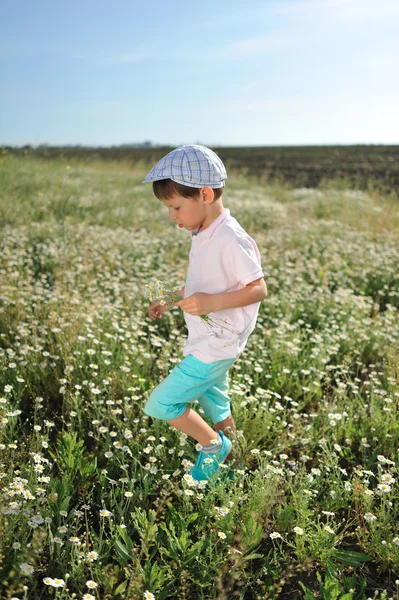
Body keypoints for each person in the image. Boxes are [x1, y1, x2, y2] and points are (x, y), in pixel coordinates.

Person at [142, 145, 267, 482]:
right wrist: (170, 299)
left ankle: (214, 447)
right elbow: (203, 282)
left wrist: (211, 303)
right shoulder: (203, 232)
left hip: (215, 346)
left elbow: (258, 289)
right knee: (217, 403)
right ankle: (235, 462)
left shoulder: (230, 237)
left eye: (176, 207)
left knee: (160, 404)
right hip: (209, 339)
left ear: (206, 194)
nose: (173, 217)